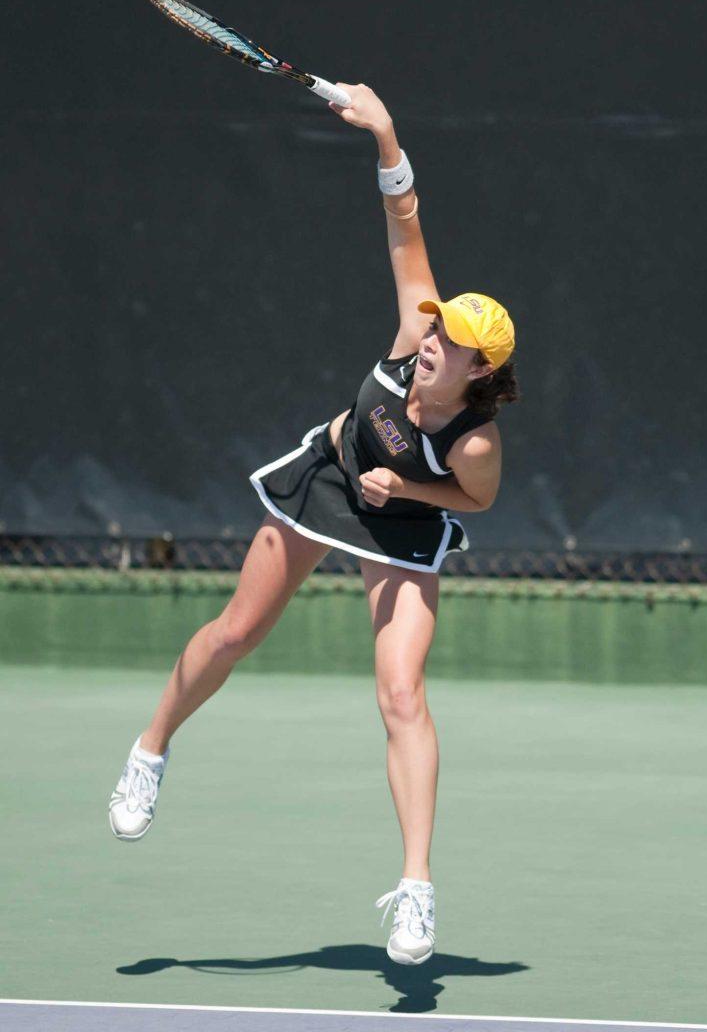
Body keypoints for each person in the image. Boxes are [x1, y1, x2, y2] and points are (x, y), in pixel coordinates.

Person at [108, 83, 520, 967]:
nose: (433, 333)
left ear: (477, 370)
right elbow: (404, 224)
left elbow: (474, 503)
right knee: (233, 634)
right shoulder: (414, 333)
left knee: (402, 694)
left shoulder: (474, 440)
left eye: (450, 338)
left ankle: (415, 891)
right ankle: (150, 747)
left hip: (400, 523)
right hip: (324, 483)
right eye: (438, 325)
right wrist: (385, 133)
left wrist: (406, 493)